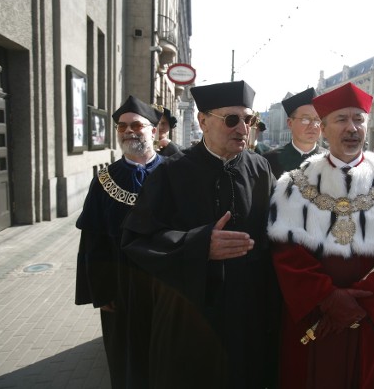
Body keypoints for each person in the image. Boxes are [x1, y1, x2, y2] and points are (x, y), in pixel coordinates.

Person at [267, 82, 374, 389]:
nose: (352, 128)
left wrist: (359, 303)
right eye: (341, 119)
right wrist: (327, 297)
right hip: (313, 319)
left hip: (368, 319)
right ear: (323, 129)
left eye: (358, 120)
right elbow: (285, 253)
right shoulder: (293, 185)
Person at [120, 80, 280, 388]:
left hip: (248, 312)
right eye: (231, 120)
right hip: (191, 311)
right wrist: (198, 244)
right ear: (202, 121)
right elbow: (137, 240)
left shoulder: (260, 169)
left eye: (248, 119)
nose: (243, 129)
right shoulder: (170, 172)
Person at [75, 95, 168, 388]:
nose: (128, 131)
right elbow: (93, 240)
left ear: (153, 130)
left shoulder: (177, 172)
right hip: (121, 287)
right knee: (127, 361)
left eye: (136, 125)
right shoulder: (104, 179)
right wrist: (101, 293)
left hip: (167, 287)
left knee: (168, 355)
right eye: (122, 126)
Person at [263, 87, 326, 179]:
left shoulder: (331, 161)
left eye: (317, 120)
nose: (313, 125)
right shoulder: (268, 162)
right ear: (290, 123)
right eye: (305, 119)